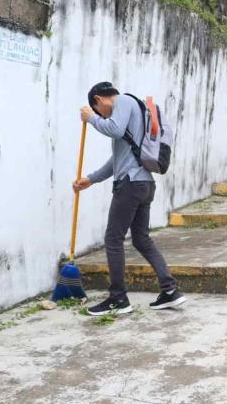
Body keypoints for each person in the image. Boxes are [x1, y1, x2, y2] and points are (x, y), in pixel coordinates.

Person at [74, 82, 186, 315]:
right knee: (141, 239)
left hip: (130, 186)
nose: (101, 115)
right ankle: (170, 291)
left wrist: (90, 119)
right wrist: (91, 179)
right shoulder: (134, 115)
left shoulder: (123, 102)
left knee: (113, 239)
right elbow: (117, 159)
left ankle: (118, 298)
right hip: (143, 184)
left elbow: (113, 129)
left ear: (98, 100)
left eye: (98, 111)